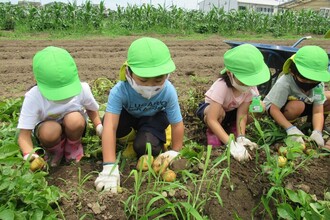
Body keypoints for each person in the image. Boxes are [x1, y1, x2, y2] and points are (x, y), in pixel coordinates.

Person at [94, 37, 184, 193]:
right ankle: (128, 140)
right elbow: (110, 126)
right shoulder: (120, 90)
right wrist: (109, 166)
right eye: (143, 79)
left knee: (146, 147)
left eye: (158, 79)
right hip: (128, 117)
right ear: (129, 72)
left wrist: (175, 151)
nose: (150, 86)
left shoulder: (168, 90)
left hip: (153, 118)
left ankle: (154, 134)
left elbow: (177, 123)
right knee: (109, 125)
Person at [17, 46, 103, 168]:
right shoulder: (34, 96)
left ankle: (73, 146)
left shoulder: (82, 88)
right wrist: (30, 155)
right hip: (47, 132)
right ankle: (54, 151)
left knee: (75, 119)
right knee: (50, 130)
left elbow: (91, 109)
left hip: (74, 128)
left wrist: (99, 126)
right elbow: (23, 135)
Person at [196, 44, 270, 161]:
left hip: (232, 112)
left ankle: (234, 129)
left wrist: (241, 137)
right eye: (245, 80)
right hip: (213, 112)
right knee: (219, 112)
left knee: (259, 107)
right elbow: (212, 119)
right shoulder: (221, 86)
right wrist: (231, 145)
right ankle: (213, 132)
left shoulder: (250, 87)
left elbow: (242, 114)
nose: (248, 85)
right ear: (230, 73)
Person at [263, 45, 330, 150]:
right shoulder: (285, 82)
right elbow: (274, 109)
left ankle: (312, 127)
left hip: (304, 103)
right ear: (292, 71)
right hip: (278, 109)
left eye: (313, 81)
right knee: (297, 106)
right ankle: (287, 127)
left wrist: (317, 131)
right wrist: (291, 129)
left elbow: (318, 110)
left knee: (328, 97)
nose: (309, 83)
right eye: (304, 79)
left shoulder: (318, 83)